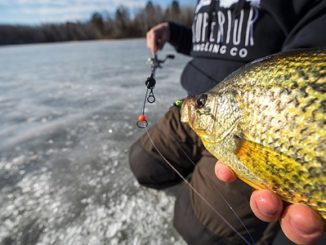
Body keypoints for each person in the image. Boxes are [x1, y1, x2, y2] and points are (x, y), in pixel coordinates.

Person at [129, 0, 326, 244]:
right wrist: (173, 33)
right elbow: (212, 45)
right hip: (201, 103)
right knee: (143, 162)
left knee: (198, 228)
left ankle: (262, 230)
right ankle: (197, 172)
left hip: (258, 125)